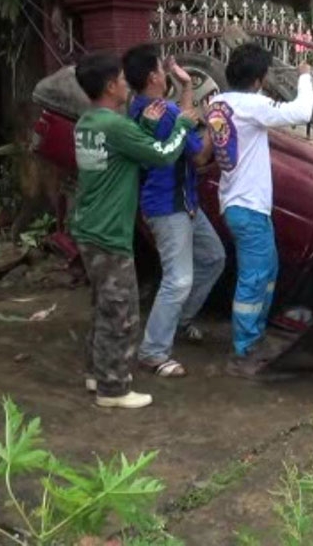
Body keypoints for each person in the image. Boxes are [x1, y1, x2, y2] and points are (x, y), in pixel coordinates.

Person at [70, 52, 195, 409]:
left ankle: (97, 372)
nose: (128, 84)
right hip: (109, 232)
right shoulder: (115, 126)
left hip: (87, 226)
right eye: (123, 80)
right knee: (122, 313)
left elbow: (127, 154)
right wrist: (182, 124)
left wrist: (143, 128)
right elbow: (162, 155)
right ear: (111, 86)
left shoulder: (89, 124)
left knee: (102, 306)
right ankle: (114, 390)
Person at [206, 43, 313, 377]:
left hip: (239, 204)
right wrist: (305, 78)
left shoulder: (218, 103)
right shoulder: (252, 105)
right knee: (254, 279)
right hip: (249, 207)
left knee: (267, 271)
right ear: (258, 79)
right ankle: (243, 350)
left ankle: (254, 336)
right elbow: (301, 113)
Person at [122, 44, 227, 379]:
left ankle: (179, 321)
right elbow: (197, 156)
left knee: (213, 257)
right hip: (169, 207)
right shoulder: (161, 112)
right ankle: (153, 352)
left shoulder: (144, 107)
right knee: (179, 278)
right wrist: (214, 121)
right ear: (154, 75)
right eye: (162, 69)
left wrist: (186, 88)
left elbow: (179, 120)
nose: (165, 73)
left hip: (182, 202)